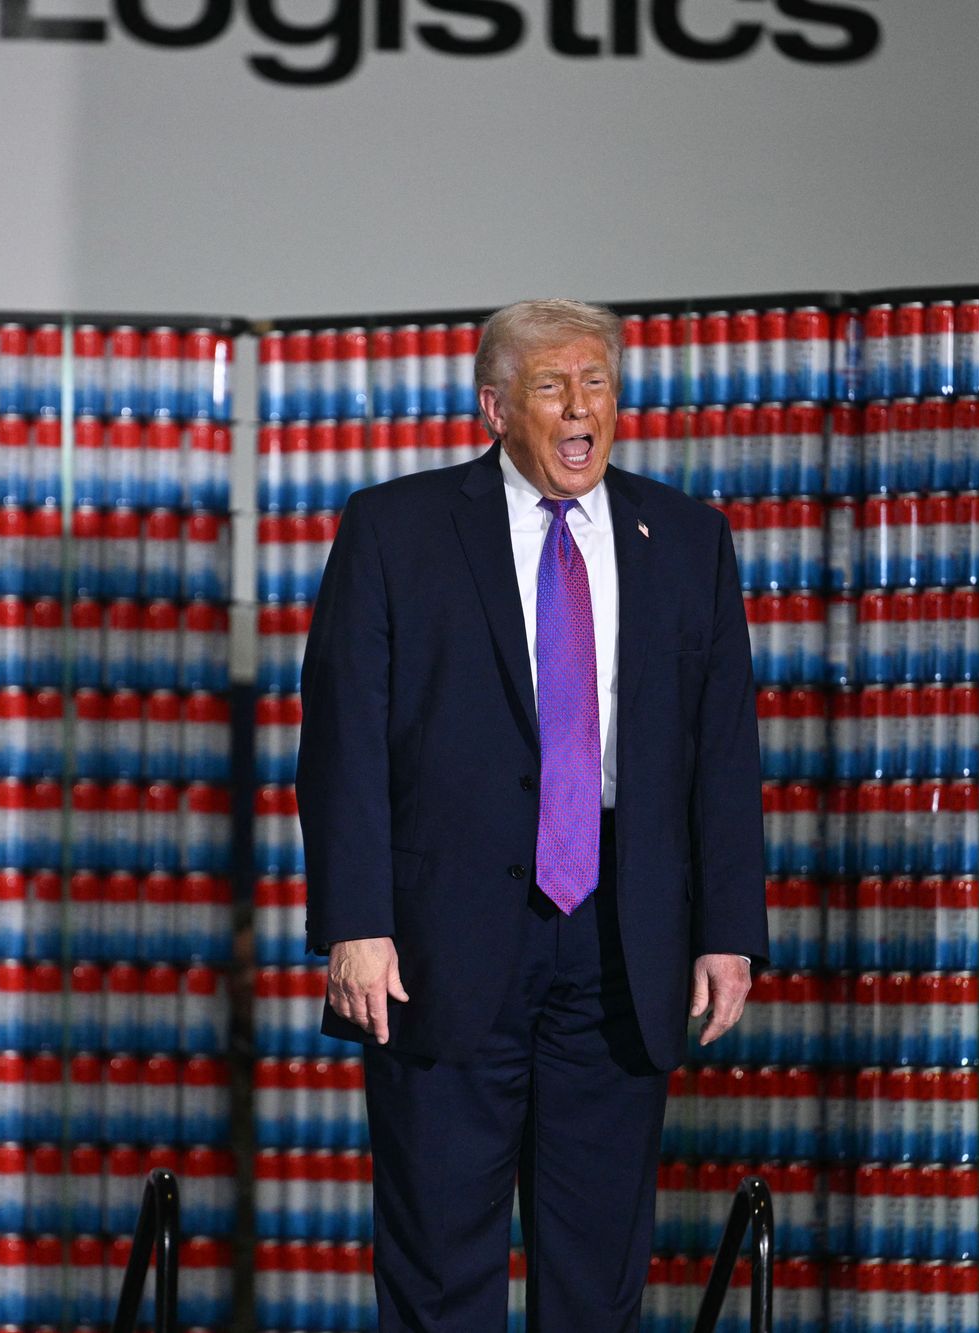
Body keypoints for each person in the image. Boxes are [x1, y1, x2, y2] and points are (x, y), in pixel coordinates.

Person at [297, 297, 770, 1332]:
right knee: (437, 1261)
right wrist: (354, 922)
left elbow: (720, 753)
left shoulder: (687, 539)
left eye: (596, 383)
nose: (578, 409)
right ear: (493, 406)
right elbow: (341, 742)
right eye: (551, 385)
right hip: (435, 942)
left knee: (596, 1267)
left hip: (619, 938)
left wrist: (727, 931)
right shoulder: (395, 528)